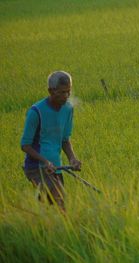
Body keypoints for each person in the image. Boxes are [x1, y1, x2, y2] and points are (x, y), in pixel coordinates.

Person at [20, 71, 81, 212]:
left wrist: (72, 158)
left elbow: (65, 140)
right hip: (36, 167)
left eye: (69, 92)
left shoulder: (68, 109)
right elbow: (25, 145)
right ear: (51, 91)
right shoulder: (36, 112)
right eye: (62, 92)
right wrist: (45, 161)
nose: (66, 96)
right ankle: (67, 229)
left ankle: (39, 227)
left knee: (49, 208)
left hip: (55, 166)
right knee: (60, 200)